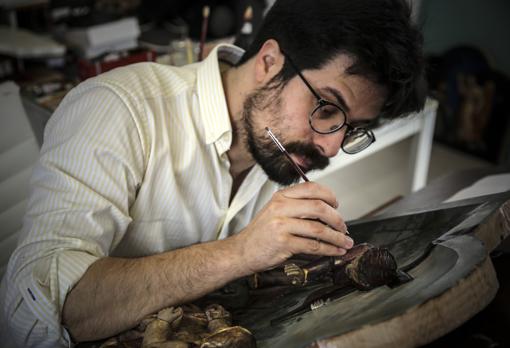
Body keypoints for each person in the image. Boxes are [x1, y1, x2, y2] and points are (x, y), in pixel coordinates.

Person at [0, 0, 426, 346]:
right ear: (270, 62)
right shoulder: (117, 110)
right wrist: (241, 252)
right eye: (327, 108)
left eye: (351, 129)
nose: (331, 146)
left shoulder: (277, 151)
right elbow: (33, 314)